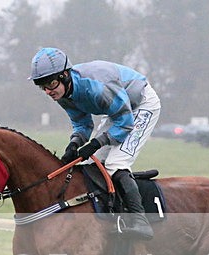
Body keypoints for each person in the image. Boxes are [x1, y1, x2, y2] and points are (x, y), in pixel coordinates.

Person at [29, 47, 160, 240]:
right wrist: (74, 144)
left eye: (52, 84)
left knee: (116, 163)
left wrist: (96, 143)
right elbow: (82, 124)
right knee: (90, 165)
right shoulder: (62, 94)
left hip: (141, 106)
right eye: (43, 87)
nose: (49, 91)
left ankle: (140, 220)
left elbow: (125, 124)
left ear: (65, 75)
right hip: (118, 111)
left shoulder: (97, 87)